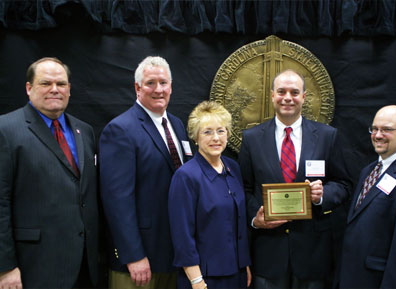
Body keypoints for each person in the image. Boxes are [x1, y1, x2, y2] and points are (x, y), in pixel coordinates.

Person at [238, 69, 352, 289]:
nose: (287, 97)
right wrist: (255, 218)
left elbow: (344, 184)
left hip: (313, 254)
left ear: (304, 97)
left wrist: (322, 196)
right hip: (268, 253)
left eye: (294, 92)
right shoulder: (251, 139)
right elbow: (244, 187)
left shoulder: (327, 136)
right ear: (272, 95)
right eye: (281, 91)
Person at [0, 57, 100, 288]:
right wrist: (5, 267)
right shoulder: (6, 130)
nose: (55, 89)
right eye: (45, 83)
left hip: (85, 265)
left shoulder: (84, 131)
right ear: (28, 88)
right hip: (34, 266)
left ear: (69, 89)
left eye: (61, 84)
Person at [99, 56, 192, 289]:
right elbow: (117, 201)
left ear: (171, 86)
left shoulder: (177, 125)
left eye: (163, 83)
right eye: (150, 83)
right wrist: (133, 255)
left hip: (175, 254)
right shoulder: (120, 130)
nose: (158, 89)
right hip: (140, 261)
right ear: (137, 88)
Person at [338, 105, 396, 288]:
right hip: (352, 277)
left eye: (386, 129)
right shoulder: (368, 171)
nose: (378, 135)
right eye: (375, 129)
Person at [168, 101, 251, 289]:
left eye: (221, 131)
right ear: (195, 137)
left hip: (236, 274)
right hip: (204, 278)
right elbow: (182, 236)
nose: (216, 138)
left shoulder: (233, 168)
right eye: (207, 132)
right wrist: (197, 281)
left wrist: (244, 264)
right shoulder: (186, 176)